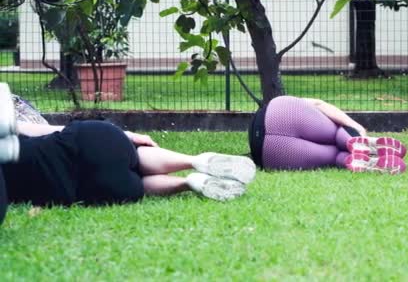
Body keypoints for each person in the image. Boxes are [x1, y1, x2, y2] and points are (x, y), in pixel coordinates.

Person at [0, 83, 255, 222]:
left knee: (139, 184)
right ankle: (195, 160)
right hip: (89, 139)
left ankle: (190, 183)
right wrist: (127, 135)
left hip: (93, 187)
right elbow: (36, 129)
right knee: (135, 156)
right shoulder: (6, 133)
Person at [248, 96, 407, 173]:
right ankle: (351, 139)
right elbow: (318, 104)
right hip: (281, 111)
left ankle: (349, 159)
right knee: (334, 133)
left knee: (331, 156)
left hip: (267, 153)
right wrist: (354, 125)